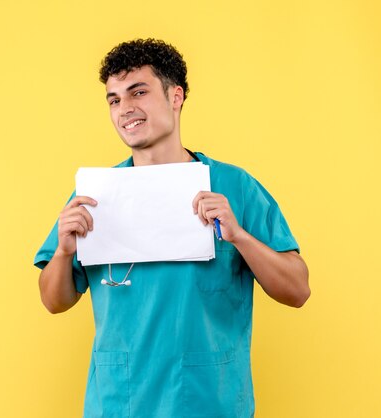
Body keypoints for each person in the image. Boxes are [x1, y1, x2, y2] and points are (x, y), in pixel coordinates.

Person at [34, 38, 310, 418]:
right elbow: (54, 301)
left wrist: (240, 237)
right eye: (114, 99)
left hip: (208, 402)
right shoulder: (96, 197)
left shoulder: (234, 187)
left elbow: (298, 289)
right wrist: (64, 253)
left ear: (175, 96)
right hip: (120, 403)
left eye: (139, 92)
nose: (124, 109)